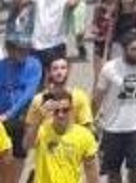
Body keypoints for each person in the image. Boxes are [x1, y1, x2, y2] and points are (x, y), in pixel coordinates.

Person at [92, 31, 136, 183]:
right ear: (123, 50)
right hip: (112, 128)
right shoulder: (109, 68)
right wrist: (91, 119)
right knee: (113, 171)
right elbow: (98, 96)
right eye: (133, 49)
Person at [24, 89, 100, 183]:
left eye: (65, 110)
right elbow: (27, 144)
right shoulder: (42, 131)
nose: (61, 115)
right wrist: (39, 117)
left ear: (72, 109)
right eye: (56, 111)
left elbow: (91, 169)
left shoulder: (85, 136)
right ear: (51, 111)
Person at [21, 0, 83, 73]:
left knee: (55, 79)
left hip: (56, 45)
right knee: (35, 79)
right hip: (36, 45)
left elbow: (73, 3)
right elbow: (23, 1)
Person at [0, 38, 42, 183]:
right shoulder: (2, 66)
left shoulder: (34, 65)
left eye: (26, 48)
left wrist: (9, 114)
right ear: (10, 49)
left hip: (21, 119)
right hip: (2, 121)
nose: (25, 52)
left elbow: (28, 94)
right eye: (20, 49)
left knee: (18, 157)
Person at [25, 56, 93, 132]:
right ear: (49, 72)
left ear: (68, 70)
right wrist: (40, 114)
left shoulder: (80, 96)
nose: (59, 72)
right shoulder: (38, 99)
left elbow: (87, 127)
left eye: (63, 68)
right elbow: (28, 130)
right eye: (55, 69)